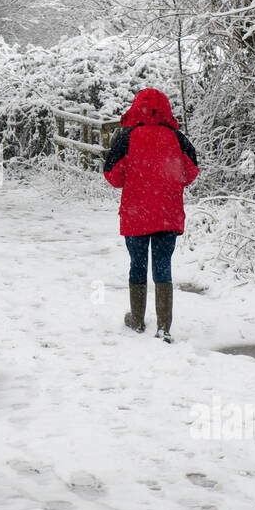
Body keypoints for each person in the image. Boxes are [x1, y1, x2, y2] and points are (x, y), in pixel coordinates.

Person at [102, 88, 199, 342]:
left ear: (136, 109)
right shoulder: (177, 138)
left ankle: (136, 319)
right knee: (162, 266)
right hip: (168, 215)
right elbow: (191, 172)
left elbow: (113, 176)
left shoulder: (127, 137)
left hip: (136, 215)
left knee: (138, 264)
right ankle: (164, 327)